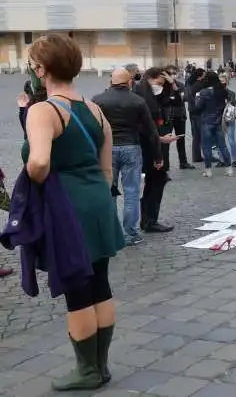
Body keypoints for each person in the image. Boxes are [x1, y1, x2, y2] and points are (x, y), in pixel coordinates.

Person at [22, 34, 125, 390]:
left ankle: (87, 371)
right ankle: (101, 365)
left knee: (77, 290)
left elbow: (38, 162)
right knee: (100, 282)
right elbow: (106, 169)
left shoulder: (43, 110)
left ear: (41, 69)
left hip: (68, 208)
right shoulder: (95, 110)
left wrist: (36, 182)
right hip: (98, 201)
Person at [92, 69, 162, 246]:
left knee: (109, 192)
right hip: (131, 146)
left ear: (111, 81)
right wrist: (158, 156)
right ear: (129, 82)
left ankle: (111, 233)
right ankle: (130, 234)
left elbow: (92, 128)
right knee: (131, 192)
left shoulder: (98, 100)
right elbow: (151, 131)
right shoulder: (138, 101)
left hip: (107, 149)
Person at [134, 68, 178, 233]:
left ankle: (148, 219)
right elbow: (143, 127)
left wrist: (171, 83)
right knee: (155, 182)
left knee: (155, 182)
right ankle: (149, 220)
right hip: (149, 145)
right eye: (159, 82)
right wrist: (160, 140)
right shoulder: (140, 95)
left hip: (154, 142)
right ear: (150, 79)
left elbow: (177, 102)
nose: (161, 86)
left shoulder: (155, 95)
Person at [195, 72, 233, 178]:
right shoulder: (222, 91)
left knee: (206, 147)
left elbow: (198, 107)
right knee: (223, 146)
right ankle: (229, 169)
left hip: (206, 121)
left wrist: (197, 99)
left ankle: (208, 170)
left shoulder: (204, 92)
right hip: (218, 122)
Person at [163, 65, 193, 170]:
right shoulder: (163, 86)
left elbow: (184, 98)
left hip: (180, 115)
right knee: (166, 141)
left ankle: (183, 162)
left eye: (174, 73)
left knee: (181, 139)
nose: (173, 76)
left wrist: (174, 85)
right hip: (167, 116)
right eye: (170, 73)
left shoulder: (180, 85)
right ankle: (165, 166)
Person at [185, 68, 206, 165]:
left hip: (191, 110)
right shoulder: (199, 85)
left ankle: (196, 156)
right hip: (198, 111)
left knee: (196, 135)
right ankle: (206, 154)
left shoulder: (189, 83)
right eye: (204, 74)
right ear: (200, 75)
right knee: (203, 134)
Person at [219, 73, 236, 168]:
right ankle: (221, 160)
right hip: (219, 119)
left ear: (227, 82)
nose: (221, 84)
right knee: (220, 140)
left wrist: (226, 101)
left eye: (223, 82)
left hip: (229, 119)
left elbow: (233, 105)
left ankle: (234, 160)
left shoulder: (231, 93)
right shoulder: (215, 93)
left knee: (231, 140)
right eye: (220, 82)